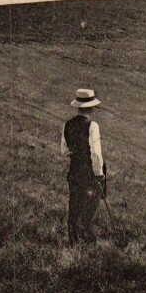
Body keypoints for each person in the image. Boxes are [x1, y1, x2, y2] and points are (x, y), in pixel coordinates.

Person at [61, 88, 106, 245]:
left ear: (78, 106)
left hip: (74, 172)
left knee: (74, 206)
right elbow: (96, 154)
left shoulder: (67, 124)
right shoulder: (92, 126)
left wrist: (77, 157)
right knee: (90, 207)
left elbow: (64, 150)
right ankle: (86, 241)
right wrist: (99, 174)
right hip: (89, 174)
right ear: (91, 107)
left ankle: (73, 240)